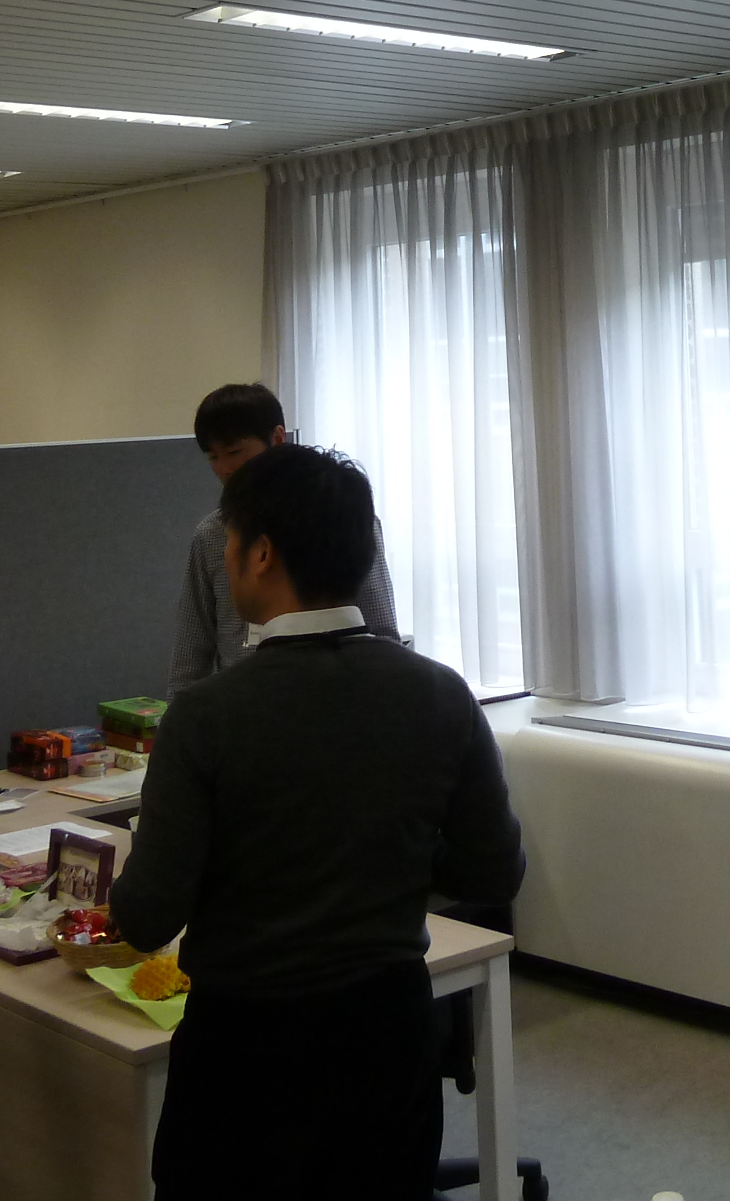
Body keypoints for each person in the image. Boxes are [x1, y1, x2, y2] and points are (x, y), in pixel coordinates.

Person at [115, 442, 524, 1199]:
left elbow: (146, 915)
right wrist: (397, 852)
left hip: (246, 1052)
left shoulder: (205, 717)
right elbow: (495, 870)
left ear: (262, 553)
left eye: (232, 541)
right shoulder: (440, 694)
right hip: (389, 1039)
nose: (225, 557)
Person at [169, 381, 398, 692]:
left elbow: (382, 632)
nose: (225, 468)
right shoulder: (212, 535)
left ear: (277, 438)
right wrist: (184, 713)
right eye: (213, 457)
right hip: (241, 704)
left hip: (340, 696)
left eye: (234, 452)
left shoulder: (339, 519)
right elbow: (189, 658)